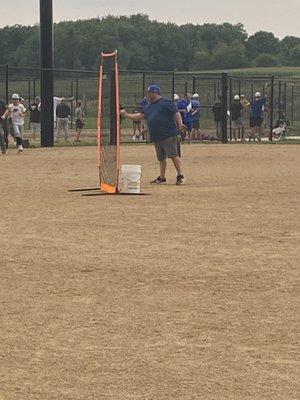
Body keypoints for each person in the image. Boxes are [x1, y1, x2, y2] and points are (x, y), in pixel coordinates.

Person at [121, 84, 185, 186]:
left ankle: (180, 175)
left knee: (173, 155)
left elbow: (176, 113)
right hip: (157, 136)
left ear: (155, 93)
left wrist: (180, 124)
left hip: (168, 134)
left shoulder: (167, 102)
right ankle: (162, 178)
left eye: (149, 93)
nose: (147, 95)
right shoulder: (149, 106)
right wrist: (127, 115)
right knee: (161, 158)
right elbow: (140, 116)